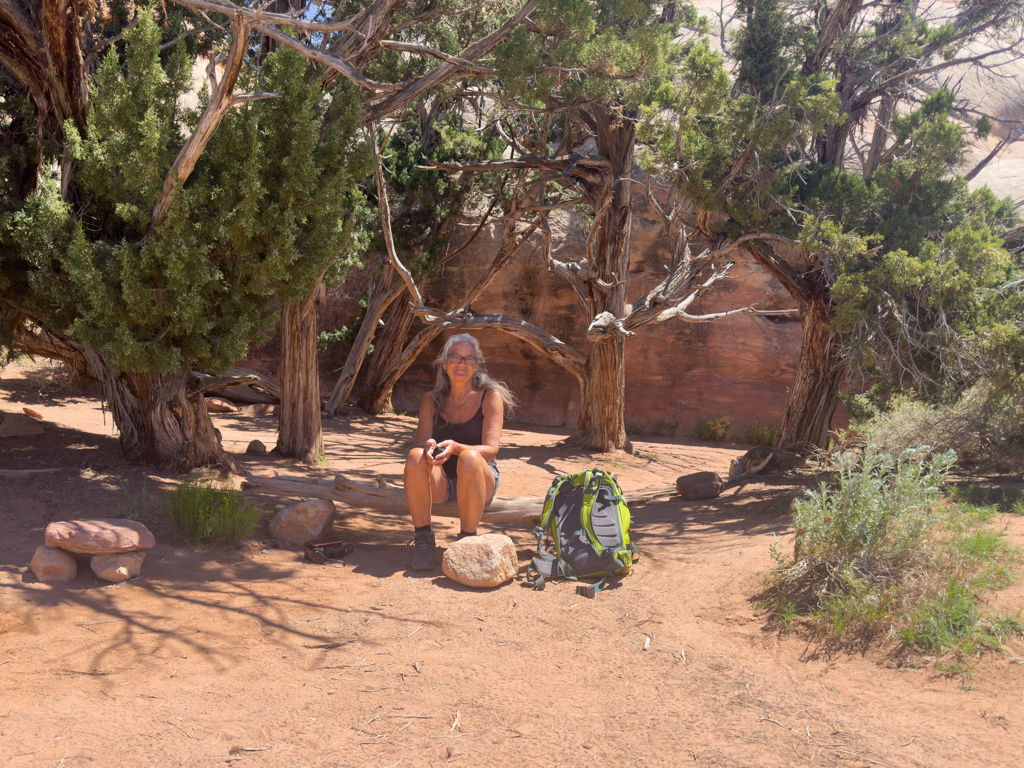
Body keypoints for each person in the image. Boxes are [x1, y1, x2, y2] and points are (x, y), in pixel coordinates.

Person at [404, 333, 516, 571]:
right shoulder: (431, 400)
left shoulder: (490, 396)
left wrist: (456, 448)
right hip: (441, 481)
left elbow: (491, 451)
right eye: (456, 357)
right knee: (414, 457)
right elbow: (420, 446)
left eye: (468, 358)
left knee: (469, 457)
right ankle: (423, 539)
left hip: (479, 479)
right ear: (445, 363)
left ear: (476, 365)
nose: (461, 363)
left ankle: (466, 541)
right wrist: (427, 448)